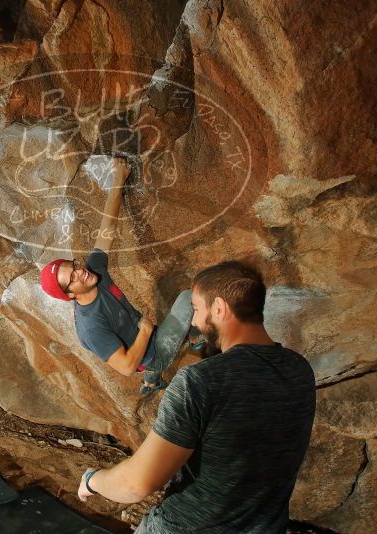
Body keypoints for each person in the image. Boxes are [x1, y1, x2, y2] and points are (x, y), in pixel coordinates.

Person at [76, 261, 316, 533]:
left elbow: (136, 484)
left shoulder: (200, 381)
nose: (193, 321)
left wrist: (92, 480)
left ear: (219, 308)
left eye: (197, 309)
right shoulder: (299, 369)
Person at [40, 157, 202, 395]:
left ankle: (151, 381)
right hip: (151, 351)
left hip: (145, 340)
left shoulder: (94, 271)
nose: (79, 272)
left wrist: (118, 180)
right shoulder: (91, 327)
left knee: (152, 337)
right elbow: (126, 367)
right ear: (70, 295)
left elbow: (107, 227)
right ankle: (196, 335)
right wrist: (146, 330)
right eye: (71, 279)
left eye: (73, 266)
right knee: (192, 297)